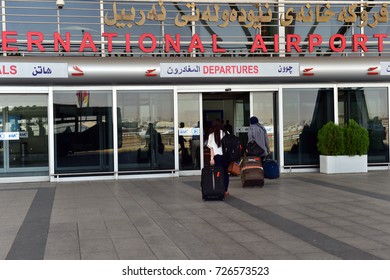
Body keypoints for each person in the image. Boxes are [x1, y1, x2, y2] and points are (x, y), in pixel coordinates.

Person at [207, 119, 229, 195]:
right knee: (225, 173)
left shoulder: (211, 135)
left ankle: (219, 189)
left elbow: (211, 149)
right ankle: (225, 190)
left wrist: (211, 158)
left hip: (217, 157)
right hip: (226, 157)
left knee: (218, 174)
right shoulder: (226, 133)